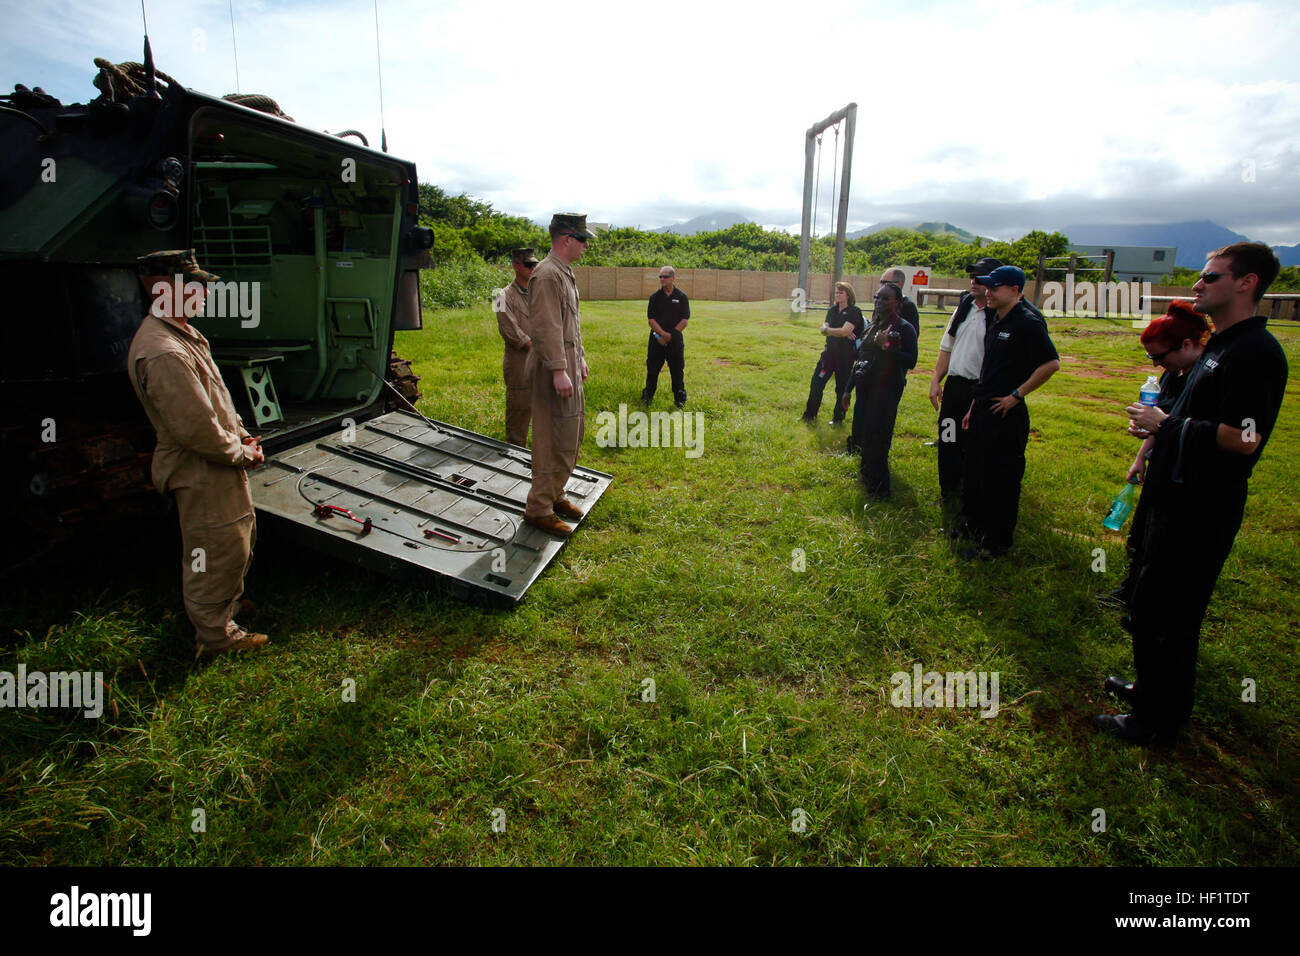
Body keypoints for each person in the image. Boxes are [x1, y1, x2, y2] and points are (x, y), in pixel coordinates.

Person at [1096, 243, 1288, 746]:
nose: (1197, 285)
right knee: (1149, 602)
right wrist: (1162, 434)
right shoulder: (1219, 346)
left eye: (1210, 277)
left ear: (1246, 283)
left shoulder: (1255, 353)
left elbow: (1244, 438)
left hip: (1201, 507)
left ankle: (1158, 721)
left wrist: (1169, 424)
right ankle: (1150, 690)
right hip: (1171, 496)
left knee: (1171, 614)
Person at [126, 250, 268, 657]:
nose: (204, 293)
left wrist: (241, 434)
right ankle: (215, 636)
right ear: (163, 289)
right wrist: (240, 453)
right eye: (194, 286)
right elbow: (196, 429)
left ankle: (226, 607)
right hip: (201, 465)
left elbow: (215, 400)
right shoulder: (163, 349)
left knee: (236, 539)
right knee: (213, 547)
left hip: (217, 460)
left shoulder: (182, 333)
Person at [1100, 301, 1211, 610]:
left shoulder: (1203, 377)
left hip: (1187, 474)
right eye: (1150, 357)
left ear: (1188, 344)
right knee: (1142, 535)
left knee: (1165, 546)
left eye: (1159, 357)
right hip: (1160, 465)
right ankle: (1131, 592)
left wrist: (1160, 426)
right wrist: (1141, 455)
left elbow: (1180, 426)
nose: (1154, 365)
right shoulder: (1173, 374)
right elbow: (1162, 422)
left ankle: (1146, 605)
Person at [959, 265, 1060, 558]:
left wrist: (1017, 395)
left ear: (1015, 291)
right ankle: (972, 527)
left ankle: (996, 543)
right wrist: (972, 406)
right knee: (976, 473)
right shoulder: (996, 320)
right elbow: (989, 371)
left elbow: (1051, 364)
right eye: (987, 287)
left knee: (1001, 480)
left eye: (995, 288)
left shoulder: (1027, 322)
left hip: (1006, 415)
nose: (988, 293)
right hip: (982, 409)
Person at [523, 214, 595, 537]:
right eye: (582, 239)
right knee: (552, 439)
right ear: (566, 239)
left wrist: (578, 359)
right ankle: (539, 508)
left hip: (566, 363)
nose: (586, 245)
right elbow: (545, 326)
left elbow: (569, 326)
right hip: (553, 368)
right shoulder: (547, 275)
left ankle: (555, 493)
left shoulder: (564, 273)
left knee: (571, 433)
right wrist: (558, 369)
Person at [929, 257, 1004, 514]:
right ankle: (947, 491)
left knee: (971, 446)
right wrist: (936, 380)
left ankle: (969, 498)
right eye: (972, 276)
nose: (974, 281)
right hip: (954, 389)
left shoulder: (998, 315)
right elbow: (946, 346)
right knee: (948, 438)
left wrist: (978, 399)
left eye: (980, 277)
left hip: (979, 392)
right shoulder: (965, 305)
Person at [849, 281, 917, 497]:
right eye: (877, 297)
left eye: (885, 298)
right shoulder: (872, 325)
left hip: (886, 391)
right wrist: (846, 390)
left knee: (879, 436)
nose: (879, 302)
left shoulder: (904, 328)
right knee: (865, 434)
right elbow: (861, 357)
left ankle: (880, 488)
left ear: (897, 302)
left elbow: (911, 360)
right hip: (865, 387)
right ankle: (867, 475)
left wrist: (886, 347)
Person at [801, 280, 864, 424]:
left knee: (841, 388)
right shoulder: (832, 310)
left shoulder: (854, 311)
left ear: (848, 295)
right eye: (836, 292)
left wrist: (830, 331)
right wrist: (835, 331)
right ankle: (810, 415)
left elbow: (843, 331)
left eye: (840, 292)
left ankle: (838, 418)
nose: (837, 295)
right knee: (817, 383)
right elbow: (827, 329)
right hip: (828, 354)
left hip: (845, 357)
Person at [496, 248, 537, 446]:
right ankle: (514, 452)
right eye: (528, 265)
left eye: (534, 265)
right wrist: (536, 348)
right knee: (519, 409)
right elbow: (508, 329)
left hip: (543, 360)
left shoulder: (539, 292)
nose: (532, 268)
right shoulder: (500, 296)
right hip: (519, 361)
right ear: (516, 266)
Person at [643, 266, 690, 407]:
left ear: (673, 278)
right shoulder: (655, 297)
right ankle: (647, 398)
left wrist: (671, 335)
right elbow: (651, 320)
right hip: (657, 339)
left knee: (677, 371)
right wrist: (663, 335)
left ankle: (679, 400)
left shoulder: (681, 297)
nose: (662, 279)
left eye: (665, 277)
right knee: (652, 370)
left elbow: (685, 319)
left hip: (675, 341)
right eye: (660, 277)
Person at [880, 268, 920, 338]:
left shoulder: (908, 306)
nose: (882, 285)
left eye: (885, 282)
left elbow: (911, 336)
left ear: (899, 285)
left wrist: (886, 344)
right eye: (881, 282)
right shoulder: (880, 303)